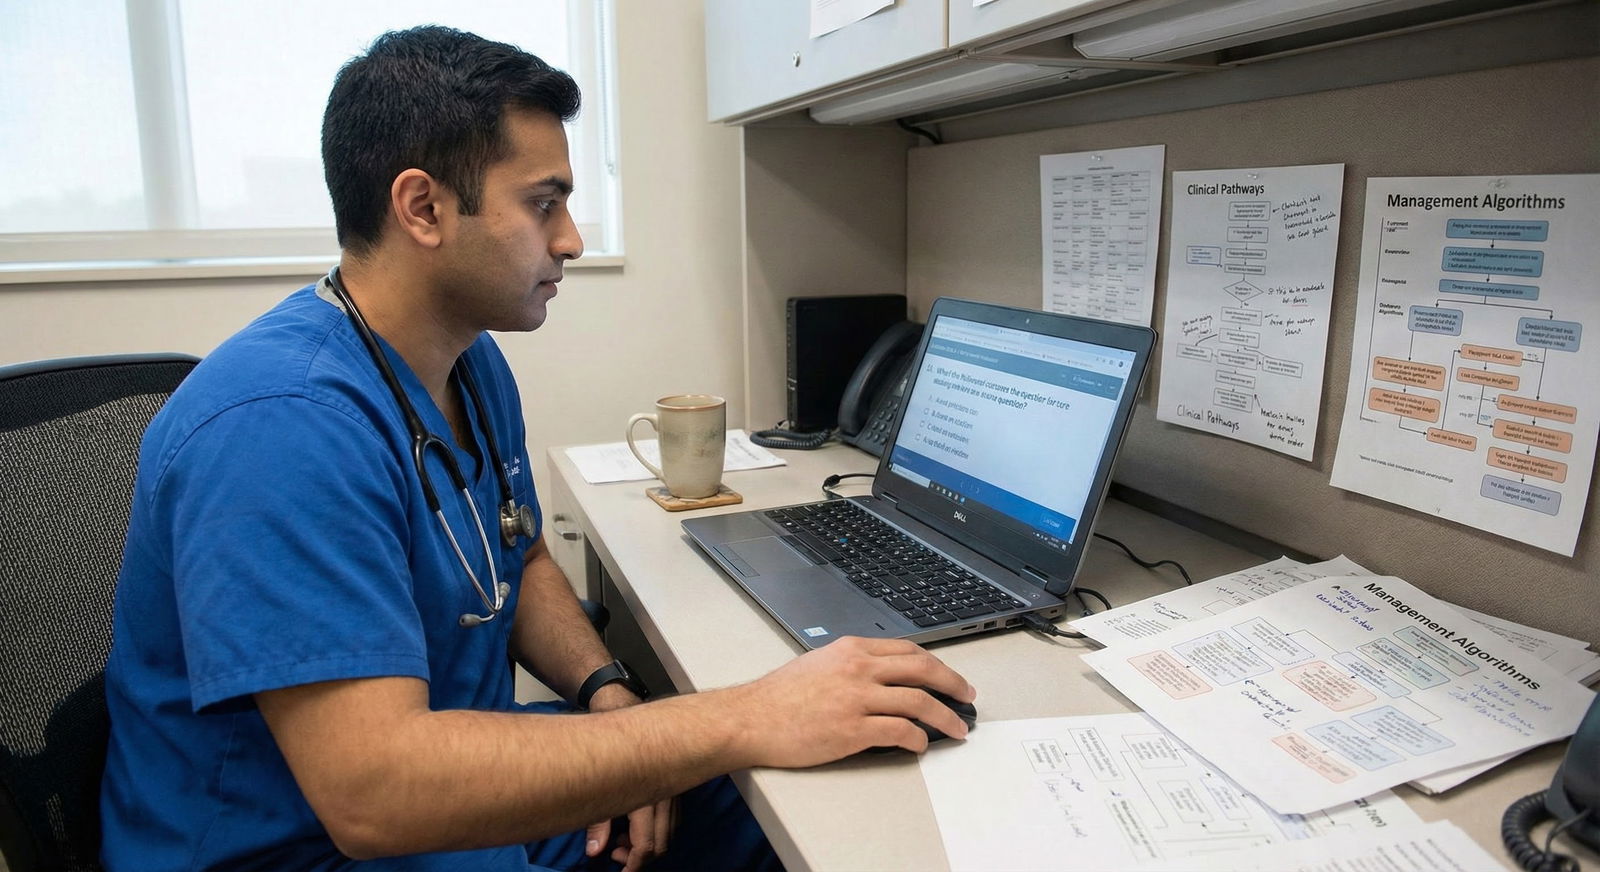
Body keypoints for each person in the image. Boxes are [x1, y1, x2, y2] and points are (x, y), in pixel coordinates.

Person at [99, 25, 974, 871]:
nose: (572, 240)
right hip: (307, 845)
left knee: (762, 804)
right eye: (543, 203)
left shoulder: (467, 360)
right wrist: (737, 716)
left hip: (452, 796)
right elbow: (374, 794)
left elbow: (513, 558)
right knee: (742, 752)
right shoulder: (278, 428)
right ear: (423, 207)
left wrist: (610, 698)